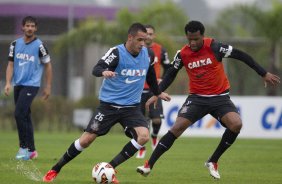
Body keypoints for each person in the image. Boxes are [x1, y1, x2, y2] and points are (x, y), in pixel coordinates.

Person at [137, 20, 280, 179]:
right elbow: (170, 74)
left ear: (202, 36)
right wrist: (157, 92)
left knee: (236, 124)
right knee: (177, 128)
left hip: (220, 98)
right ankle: (148, 165)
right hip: (197, 99)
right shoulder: (182, 54)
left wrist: (263, 73)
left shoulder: (215, 47)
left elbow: (241, 55)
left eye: (196, 39)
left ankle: (213, 161)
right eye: (189, 39)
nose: (192, 43)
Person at [42, 23, 171, 183]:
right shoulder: (116, 52)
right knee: (86, 140)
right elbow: (96, 68)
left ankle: (109, 169)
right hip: (108, 106)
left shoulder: (148, 54)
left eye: (144, 40)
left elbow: (150, 76)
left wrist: (158, 92)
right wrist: (104, 71)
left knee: (143, 136)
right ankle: (55, 169)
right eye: (139, 40)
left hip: (131, 108)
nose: (143, 44)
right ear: (130, 37)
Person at [4, 16, 52, 161]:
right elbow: (11, 64)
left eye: (32, 26)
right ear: (22, 27)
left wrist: (48, 86)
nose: (30, 28)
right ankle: (32, 151)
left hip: (32, 84)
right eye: (27, 26)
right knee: (24, 116)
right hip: (18, 85)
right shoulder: (14, 44)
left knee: (19, 113)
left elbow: (48, 65)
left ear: (35, 28)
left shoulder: (40, 46)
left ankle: (23, 148)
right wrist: (7, 83)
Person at [136, 24, 171, 159]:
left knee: (156, 120)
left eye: (151, 34)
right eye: (146, 34)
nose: (148, 36)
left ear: (154, 35)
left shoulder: (160, 50)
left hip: (154, 90)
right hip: (138, 90)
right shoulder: (136, 49)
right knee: (140, 122)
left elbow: (168, 67)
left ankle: (155, 136)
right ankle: (142, 147)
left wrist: (163, 79)